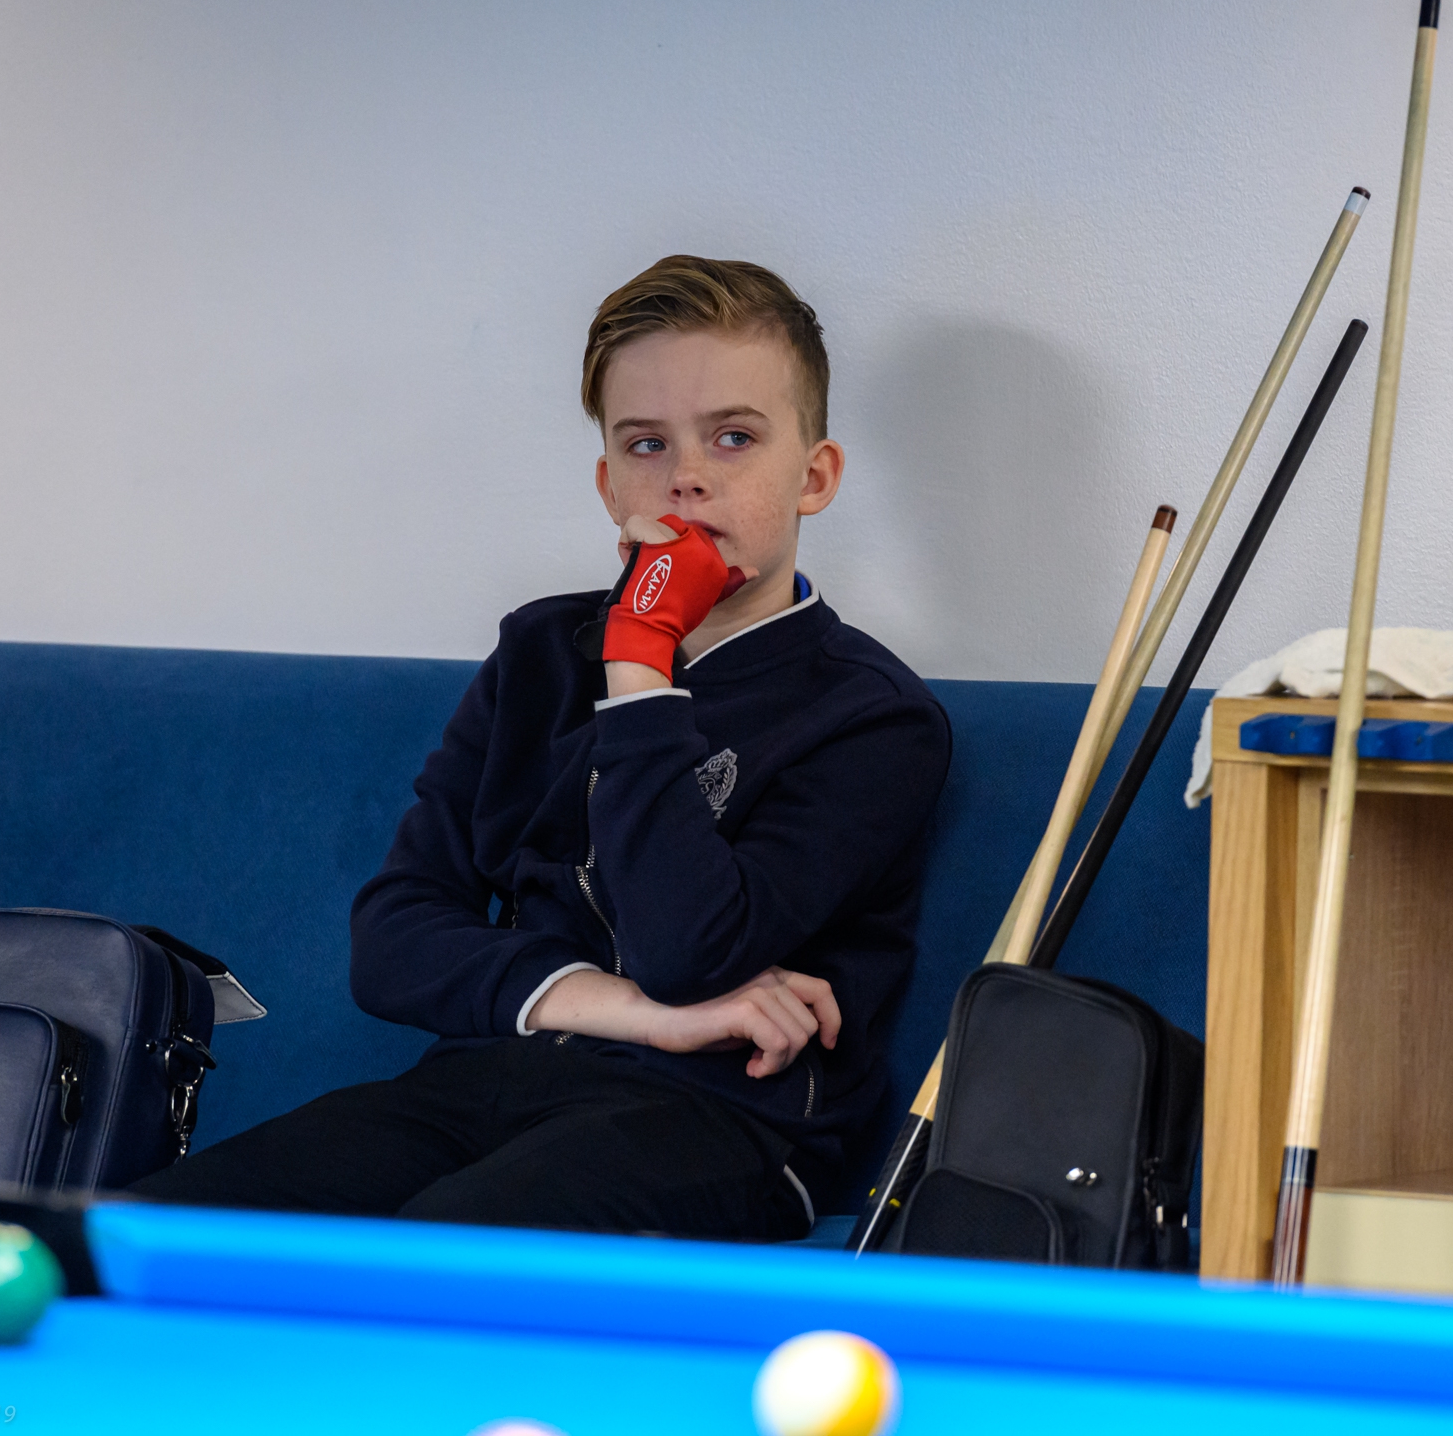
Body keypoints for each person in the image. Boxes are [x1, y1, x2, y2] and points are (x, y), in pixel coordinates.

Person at [132, 256, 952, 1240]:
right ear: (609, 483)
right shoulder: (538, 651)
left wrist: (640, 657)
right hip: (488, 1081)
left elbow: (691, 951)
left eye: (734, 436)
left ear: (813, 476)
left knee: (456, 1244)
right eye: (646, 443)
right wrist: (636, 1011)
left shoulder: (873, 716)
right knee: (153, 1229)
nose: (687, 475)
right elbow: (391, 940)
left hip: (727, 1118)